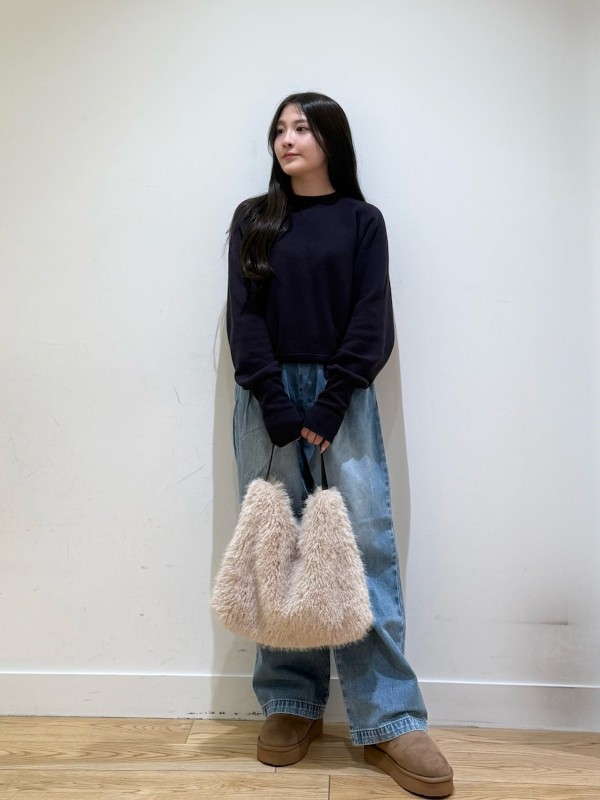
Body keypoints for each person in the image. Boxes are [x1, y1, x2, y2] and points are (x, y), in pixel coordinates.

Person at [225, 91, 454, 798]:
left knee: (363, 549)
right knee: (277, 548)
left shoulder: (362, 220)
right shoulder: (254, 219)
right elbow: (244, 315)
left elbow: (371, 316)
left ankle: (389, 718)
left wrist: (330, 399)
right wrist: (274, 400)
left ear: (331, 138)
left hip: (342, 398)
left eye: (301, 127)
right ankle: (290, 701)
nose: (286, 138)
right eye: (279, 128)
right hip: (266, 399)